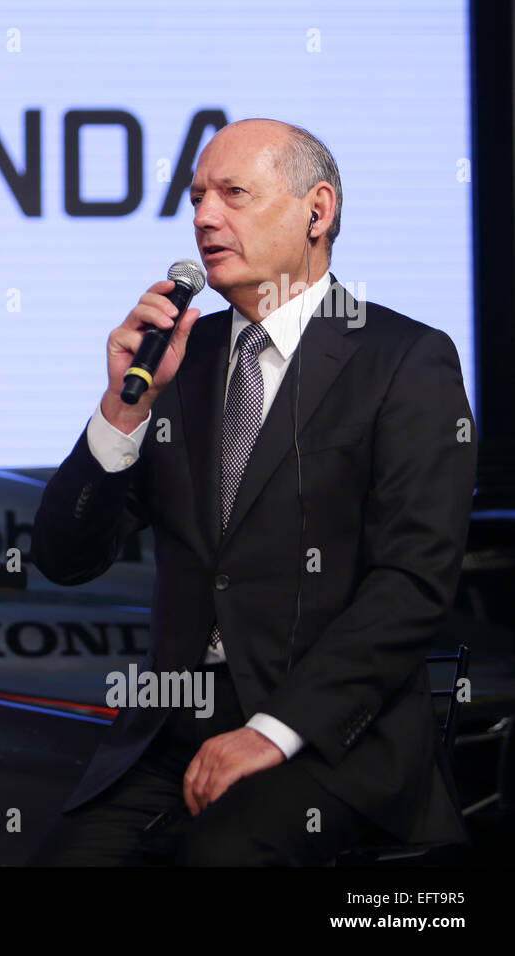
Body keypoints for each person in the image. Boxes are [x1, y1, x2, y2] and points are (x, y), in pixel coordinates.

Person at [30, 119, 476, 865]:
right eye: (198, 197)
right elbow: (64, 557)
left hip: (330, 738)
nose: (204, 217)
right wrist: (123, 408)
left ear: (317, 209)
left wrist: (271, 730)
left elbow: (413, 583)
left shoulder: (403, 358)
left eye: (234, 194)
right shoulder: (178, 361)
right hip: (172, 733)